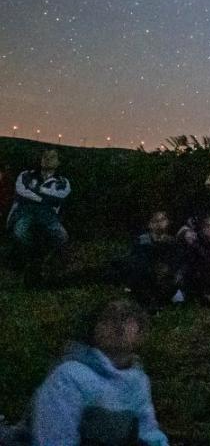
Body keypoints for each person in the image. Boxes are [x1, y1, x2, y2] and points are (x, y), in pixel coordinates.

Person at [26, 298, 169, 446]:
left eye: (127, 318)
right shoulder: (68, 376)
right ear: (94, 330)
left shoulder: (139, 380)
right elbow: (55, 440)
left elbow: (149, 434)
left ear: (140, 333)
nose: (118, 324)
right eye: (108, 318)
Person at [7, 150, 71, 285]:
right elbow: (21, 191)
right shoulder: (26, 175)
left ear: (58, 162)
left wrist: (35, 194)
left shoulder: (63, 182)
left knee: (62, 236)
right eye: (45, 156)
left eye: (52, 157)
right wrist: (44, 198)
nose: (47, 159)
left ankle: (43, 262)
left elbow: (60, 196)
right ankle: (28, 261)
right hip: (25, 211)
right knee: (20, 231)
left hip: (47, 214)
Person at [124, 211, 182, 309]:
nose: (159, 223)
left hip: (166, 276)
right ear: (150, 224)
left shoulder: (172, 242)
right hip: (148, 276)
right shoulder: (142, 241)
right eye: (155, 221)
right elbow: (138, 262)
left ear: (168, 222)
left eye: (162, 220)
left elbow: (177, 261)